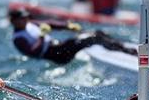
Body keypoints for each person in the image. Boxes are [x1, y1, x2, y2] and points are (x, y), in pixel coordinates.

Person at [8, 7, 136, 64]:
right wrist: (42, 36)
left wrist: (67, 25)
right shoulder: (18, 39)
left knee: (98, 33)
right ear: (13, 21)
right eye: (21, 18)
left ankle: (122, 47)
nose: (24, 20)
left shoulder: (31, 23)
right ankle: (128, 52)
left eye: (25, 17)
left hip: (60, 47)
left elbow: (49, 24)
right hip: (57, 55)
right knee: (92, 38)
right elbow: (33, 52)